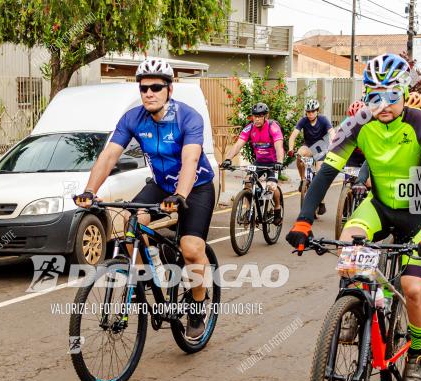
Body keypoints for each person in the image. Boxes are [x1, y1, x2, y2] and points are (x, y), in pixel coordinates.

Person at [286, 53, 421, 381]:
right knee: (349, 237)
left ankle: (416, 353)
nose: (384, 104)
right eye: (375, 95)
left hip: (418, 211)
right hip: (380, 205)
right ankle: (352, 301)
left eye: (392, 94)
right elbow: (327, 171)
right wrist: (303, 220)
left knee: (413, 288)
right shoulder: (358, 123)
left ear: (404, 92)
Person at [74, 57, 216, 339]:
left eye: (155, 87)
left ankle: (198, 307)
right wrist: (91, 190)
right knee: (129, 221)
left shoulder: (189, 117)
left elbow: (190, 160)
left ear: (169, 90)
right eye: (143, 88)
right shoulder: (133, 118)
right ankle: (145, 280)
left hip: (195, 186)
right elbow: (109, 156)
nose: (149, 92)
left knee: (190, 249)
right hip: (162, 184)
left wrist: (180, 195)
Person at [221, 102, 285, 222]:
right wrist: (228, 159)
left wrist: (280, 162)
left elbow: (279, 146)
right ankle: (249, 209)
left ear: (266, 116)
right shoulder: (249, 128)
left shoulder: (273, 127)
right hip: (259, 161)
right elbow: (238, 145)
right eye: (255, 116)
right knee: (248, 182)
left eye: (260, 116)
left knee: (271, 186)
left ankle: (277, 209)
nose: (257, 119)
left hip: (273, 162)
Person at [288, 99, 333, 204]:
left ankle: (321, 201)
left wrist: (332, 145)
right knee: (299, 155)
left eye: (313, 111)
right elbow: (293, 136)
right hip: (308, 147)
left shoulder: (323, 120)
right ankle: (303, 179)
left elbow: (332, 133)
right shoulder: (303, 121)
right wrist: (290, 148)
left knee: (319, 176)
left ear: (317, 111)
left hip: (320, 149)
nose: (310, 114)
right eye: (308, 112)